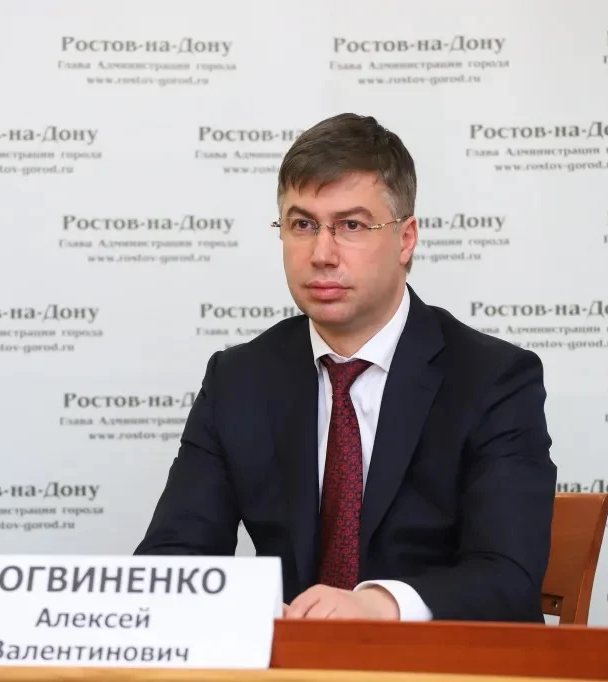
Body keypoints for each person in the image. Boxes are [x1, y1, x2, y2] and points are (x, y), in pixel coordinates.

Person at [134, 113, 556, 622]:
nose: (322, 253)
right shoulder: (239, 379)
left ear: (406, 238)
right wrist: (252, 612)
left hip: (436, 659)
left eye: (351, 225)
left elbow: (507, 576)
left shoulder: (493, 379)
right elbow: (171, 560)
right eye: (302, 224)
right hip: (295, 660)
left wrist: (379, 606)